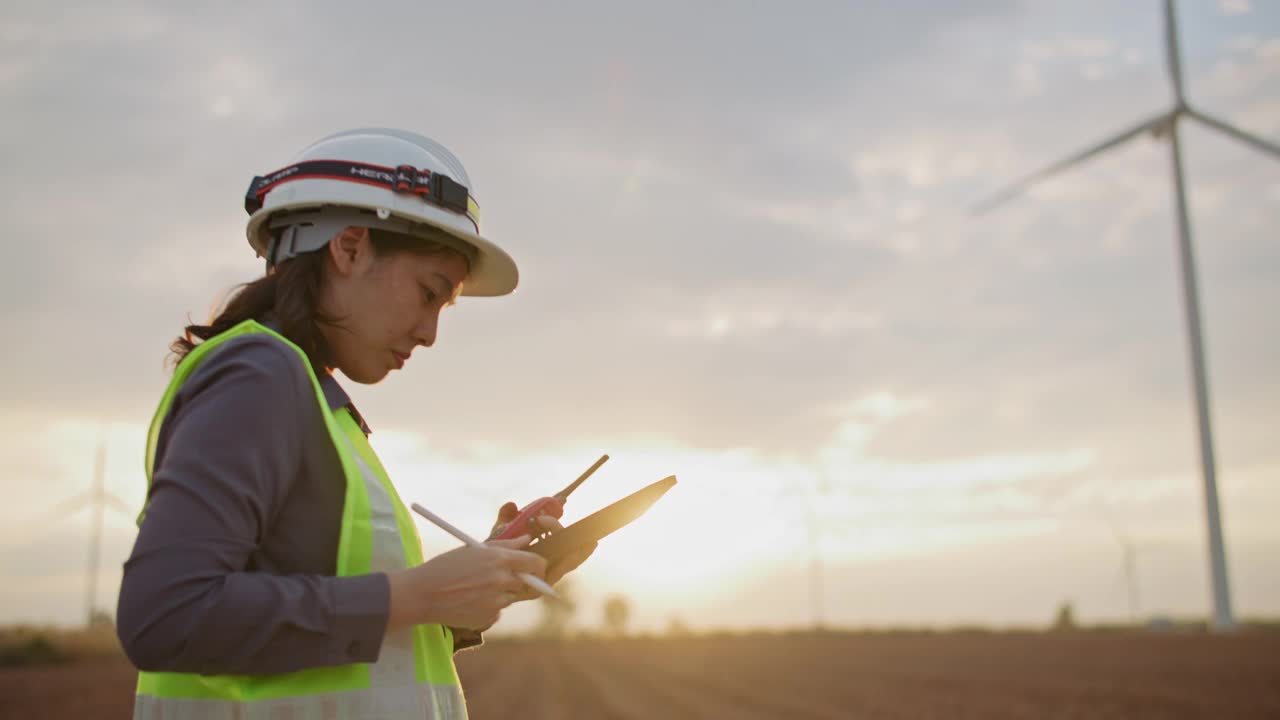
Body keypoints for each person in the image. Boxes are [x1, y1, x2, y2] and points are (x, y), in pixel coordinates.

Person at [116, 128, 594, 719]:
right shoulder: (259, 377)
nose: (429, 333)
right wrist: (416, 594)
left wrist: (465, 589)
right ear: (348, 248)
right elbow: (167, 616)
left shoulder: (316, 404)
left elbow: (350, 640)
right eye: (428, 293)